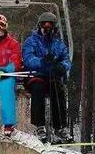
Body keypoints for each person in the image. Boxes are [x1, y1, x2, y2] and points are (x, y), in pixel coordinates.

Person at [22, 12, 72, 144]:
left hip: (51, 75)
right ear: (40, 27)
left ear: (54, 28)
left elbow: (66, 59)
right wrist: (42, 61)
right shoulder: (31, 41)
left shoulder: (58, 44)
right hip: (35, 74)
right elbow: (28, 59)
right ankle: (39, 126)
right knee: (38, 88)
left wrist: (62, 66)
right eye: (44, 27)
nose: (47, 30)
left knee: (58, 89)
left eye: (50, 27)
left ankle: (60, 126)